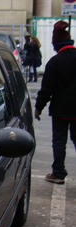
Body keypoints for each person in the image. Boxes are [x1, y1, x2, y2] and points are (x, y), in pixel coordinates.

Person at [35, 20, 76, 184]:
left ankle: (58, 173)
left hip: (61, 109)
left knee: (59, 141)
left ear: (56, 44)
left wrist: (38, 107)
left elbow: (47, 89)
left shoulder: (55, 62)